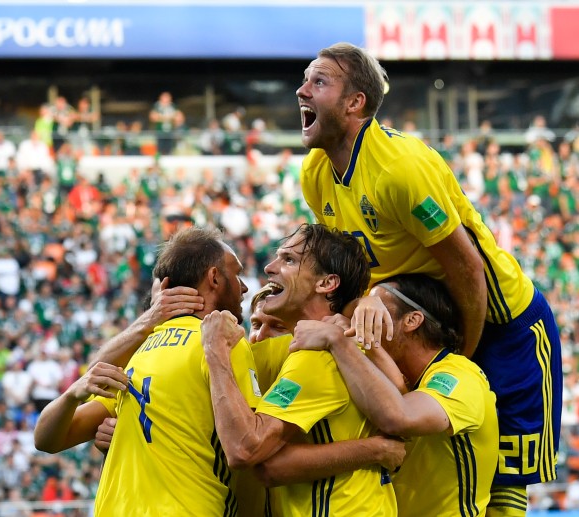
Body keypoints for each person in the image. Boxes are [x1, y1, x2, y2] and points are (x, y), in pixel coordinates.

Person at [297, 42, 562, 514]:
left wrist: (462, 356)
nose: (301, 90)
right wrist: (369, 299)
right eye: (306, 79)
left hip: (502, 323)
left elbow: (468, 269)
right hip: (428, 320)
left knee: (503, 477)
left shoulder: (401, 168)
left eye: (319, 81)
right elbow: (353, 268)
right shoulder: (315, 173)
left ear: (355, 102)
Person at [34, 226, 260, 516]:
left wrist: (71, 397)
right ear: (214, 277)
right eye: (236, 273)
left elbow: (45, 440)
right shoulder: (225, 344)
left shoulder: (135, 354)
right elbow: (249, 447)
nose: (243, 286)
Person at [201, 223, 397, 516]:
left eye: (289, 260)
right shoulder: (318, 346)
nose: (269, 267)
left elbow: (249, 451)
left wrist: (215, 351)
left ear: (326, 284)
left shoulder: (318, 355)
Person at [291, 274, 499, 516]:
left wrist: (339, 342)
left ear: (412, 320)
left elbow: (400, 416)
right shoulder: (392, 378)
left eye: (375, 311)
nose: (360, 321)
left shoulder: (461, 376)